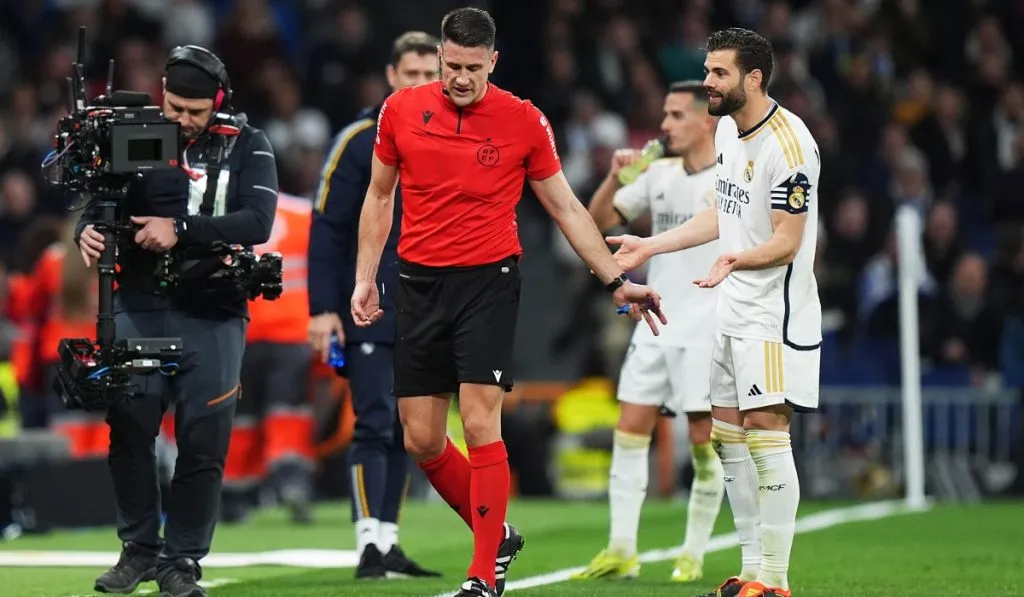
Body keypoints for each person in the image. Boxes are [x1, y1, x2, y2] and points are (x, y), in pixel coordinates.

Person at [351, 8, 667, 597]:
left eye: (473, 68)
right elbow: (378, 193)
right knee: (420, 437)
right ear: (440, 57)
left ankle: (483, 573)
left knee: (478, 421)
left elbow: (567, 207)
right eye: (452, 66)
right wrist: (366, 277)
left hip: (488, 282)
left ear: (493, 62)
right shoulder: (400, 111)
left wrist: (613, 279)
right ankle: (495, 532)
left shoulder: (523, 120)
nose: (461, 78)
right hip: (418, 282)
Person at [609, 28, 821, 597]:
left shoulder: (790, 145)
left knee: (766, 432)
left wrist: (737, 259)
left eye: (719, 73)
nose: (708, 81)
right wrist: (650, 246)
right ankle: (751, 569)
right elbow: (723, 215)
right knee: (727, 439)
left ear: (754, 78)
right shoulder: (728, 128)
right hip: (731, 307)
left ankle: (775, 580)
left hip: (775, 315)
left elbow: (789, 240)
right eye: (707, 70)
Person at [75, 45, 278, 597]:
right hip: (140, 302)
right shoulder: (138, 132)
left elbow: (258, 220)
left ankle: (182, 559)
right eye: (173, 107)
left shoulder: (249, 144)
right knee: (130, 425)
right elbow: (103, 203)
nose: (182, 120)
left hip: (212, 309)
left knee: (203, 437)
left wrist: (180, 229)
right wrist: (87, 232)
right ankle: (138, 548)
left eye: (194, 111)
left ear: (219, 102)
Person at [571, 81, 725, 584]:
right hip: (655, 321)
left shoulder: (730, 178)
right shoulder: (657, 173)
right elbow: (596, 224)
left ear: (707, 120)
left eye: (676, 115)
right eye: (665, 113)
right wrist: (614, 179)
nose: (664, 125)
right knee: (629, 430)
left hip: (706, 325)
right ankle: (621, 549)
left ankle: (693, 552)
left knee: (704, 441)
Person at [307, 31, 442, 579]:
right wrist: (322, 309)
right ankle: (368, 542)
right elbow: (327, 230)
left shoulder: (448, 137)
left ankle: (387, 541)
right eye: (410, 75)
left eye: (428, 76)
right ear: (391, 76)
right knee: (375, 419)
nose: (420, 85)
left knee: (409, 428)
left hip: (429, 304)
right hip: (370, 305)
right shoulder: (361, 140)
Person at [220, 192, 316, 525]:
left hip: (241, 333)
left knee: (240, 417)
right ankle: (291, 479)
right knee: (288, 411)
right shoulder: (305, 214)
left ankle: (234, 494)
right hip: (293, 333)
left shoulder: (226, 214)